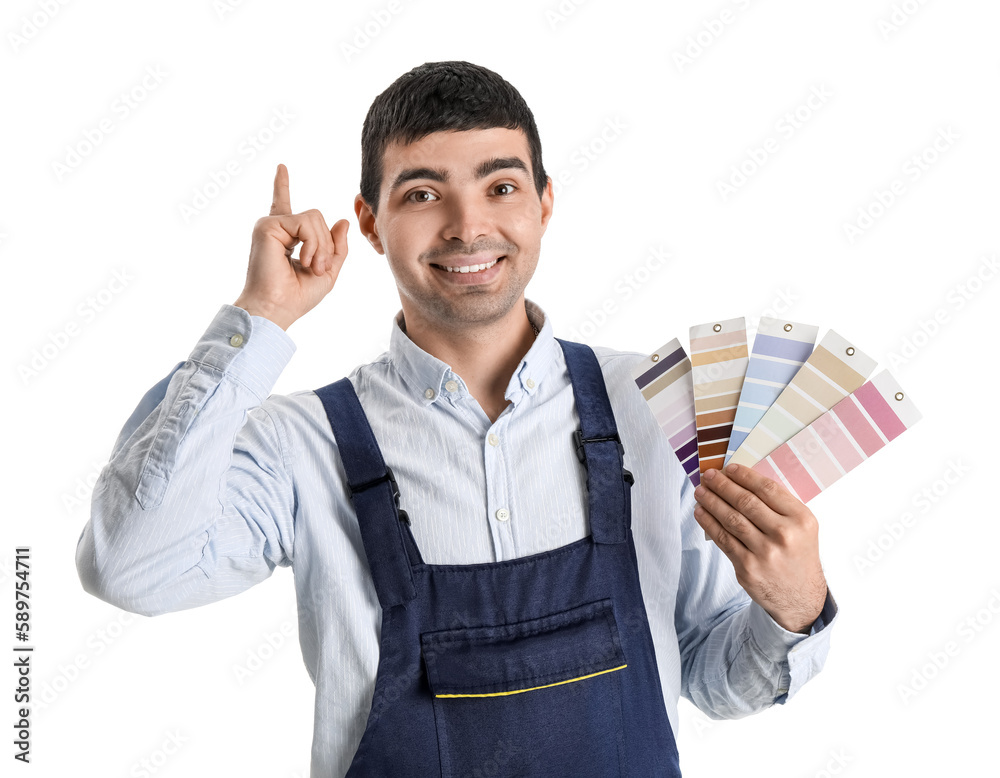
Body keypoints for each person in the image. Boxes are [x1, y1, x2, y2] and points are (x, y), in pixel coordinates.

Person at [77, 61, 837, 776]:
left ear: (544, 203)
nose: (468, 227)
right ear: (370, 225)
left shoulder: (661, 404)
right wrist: (261, 315)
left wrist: (795, 606)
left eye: (500, 187)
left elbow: (711, 676)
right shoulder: (299, 446)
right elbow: (130, 569)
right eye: (422, 194)